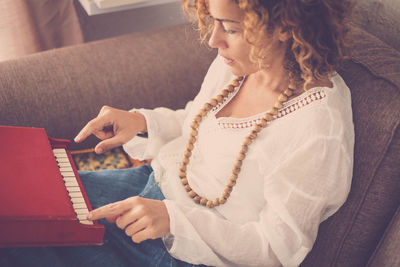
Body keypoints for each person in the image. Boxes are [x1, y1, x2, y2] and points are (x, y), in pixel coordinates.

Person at [0, 0, 354, 266]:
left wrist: (174, 220)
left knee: (35, 248)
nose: (214, 40)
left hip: (188, 252)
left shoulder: (316, 127)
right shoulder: (240, 66)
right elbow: (195, 122)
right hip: (150, 188)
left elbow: (277, 249)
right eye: (213, 21)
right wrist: (142, 122)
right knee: (24, 208)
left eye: (230, 28)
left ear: (285, 26)